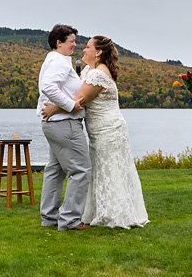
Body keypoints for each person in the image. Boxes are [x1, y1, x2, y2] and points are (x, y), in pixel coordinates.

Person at [44, 36, 148, 228]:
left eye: (88, 47)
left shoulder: (98, 74)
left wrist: (54, 109)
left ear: (98, 52)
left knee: (111, 169)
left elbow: (79, 100)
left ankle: (114, 213)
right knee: (99, 169)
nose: (83, 50)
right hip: (98, 130)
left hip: (108, 129)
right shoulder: (88, 70)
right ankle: (94, 211)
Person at [36, 24, 92, 231]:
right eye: (71, 41)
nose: (75, 45)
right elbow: (48, 87)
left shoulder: (53, 59)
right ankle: (69, 219)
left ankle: (50, 217)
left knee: (55, 170)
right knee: (81, 170)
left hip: (55, 124)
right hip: (64, 125)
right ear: (59, 43)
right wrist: (70, 105)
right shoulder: (59, 61)